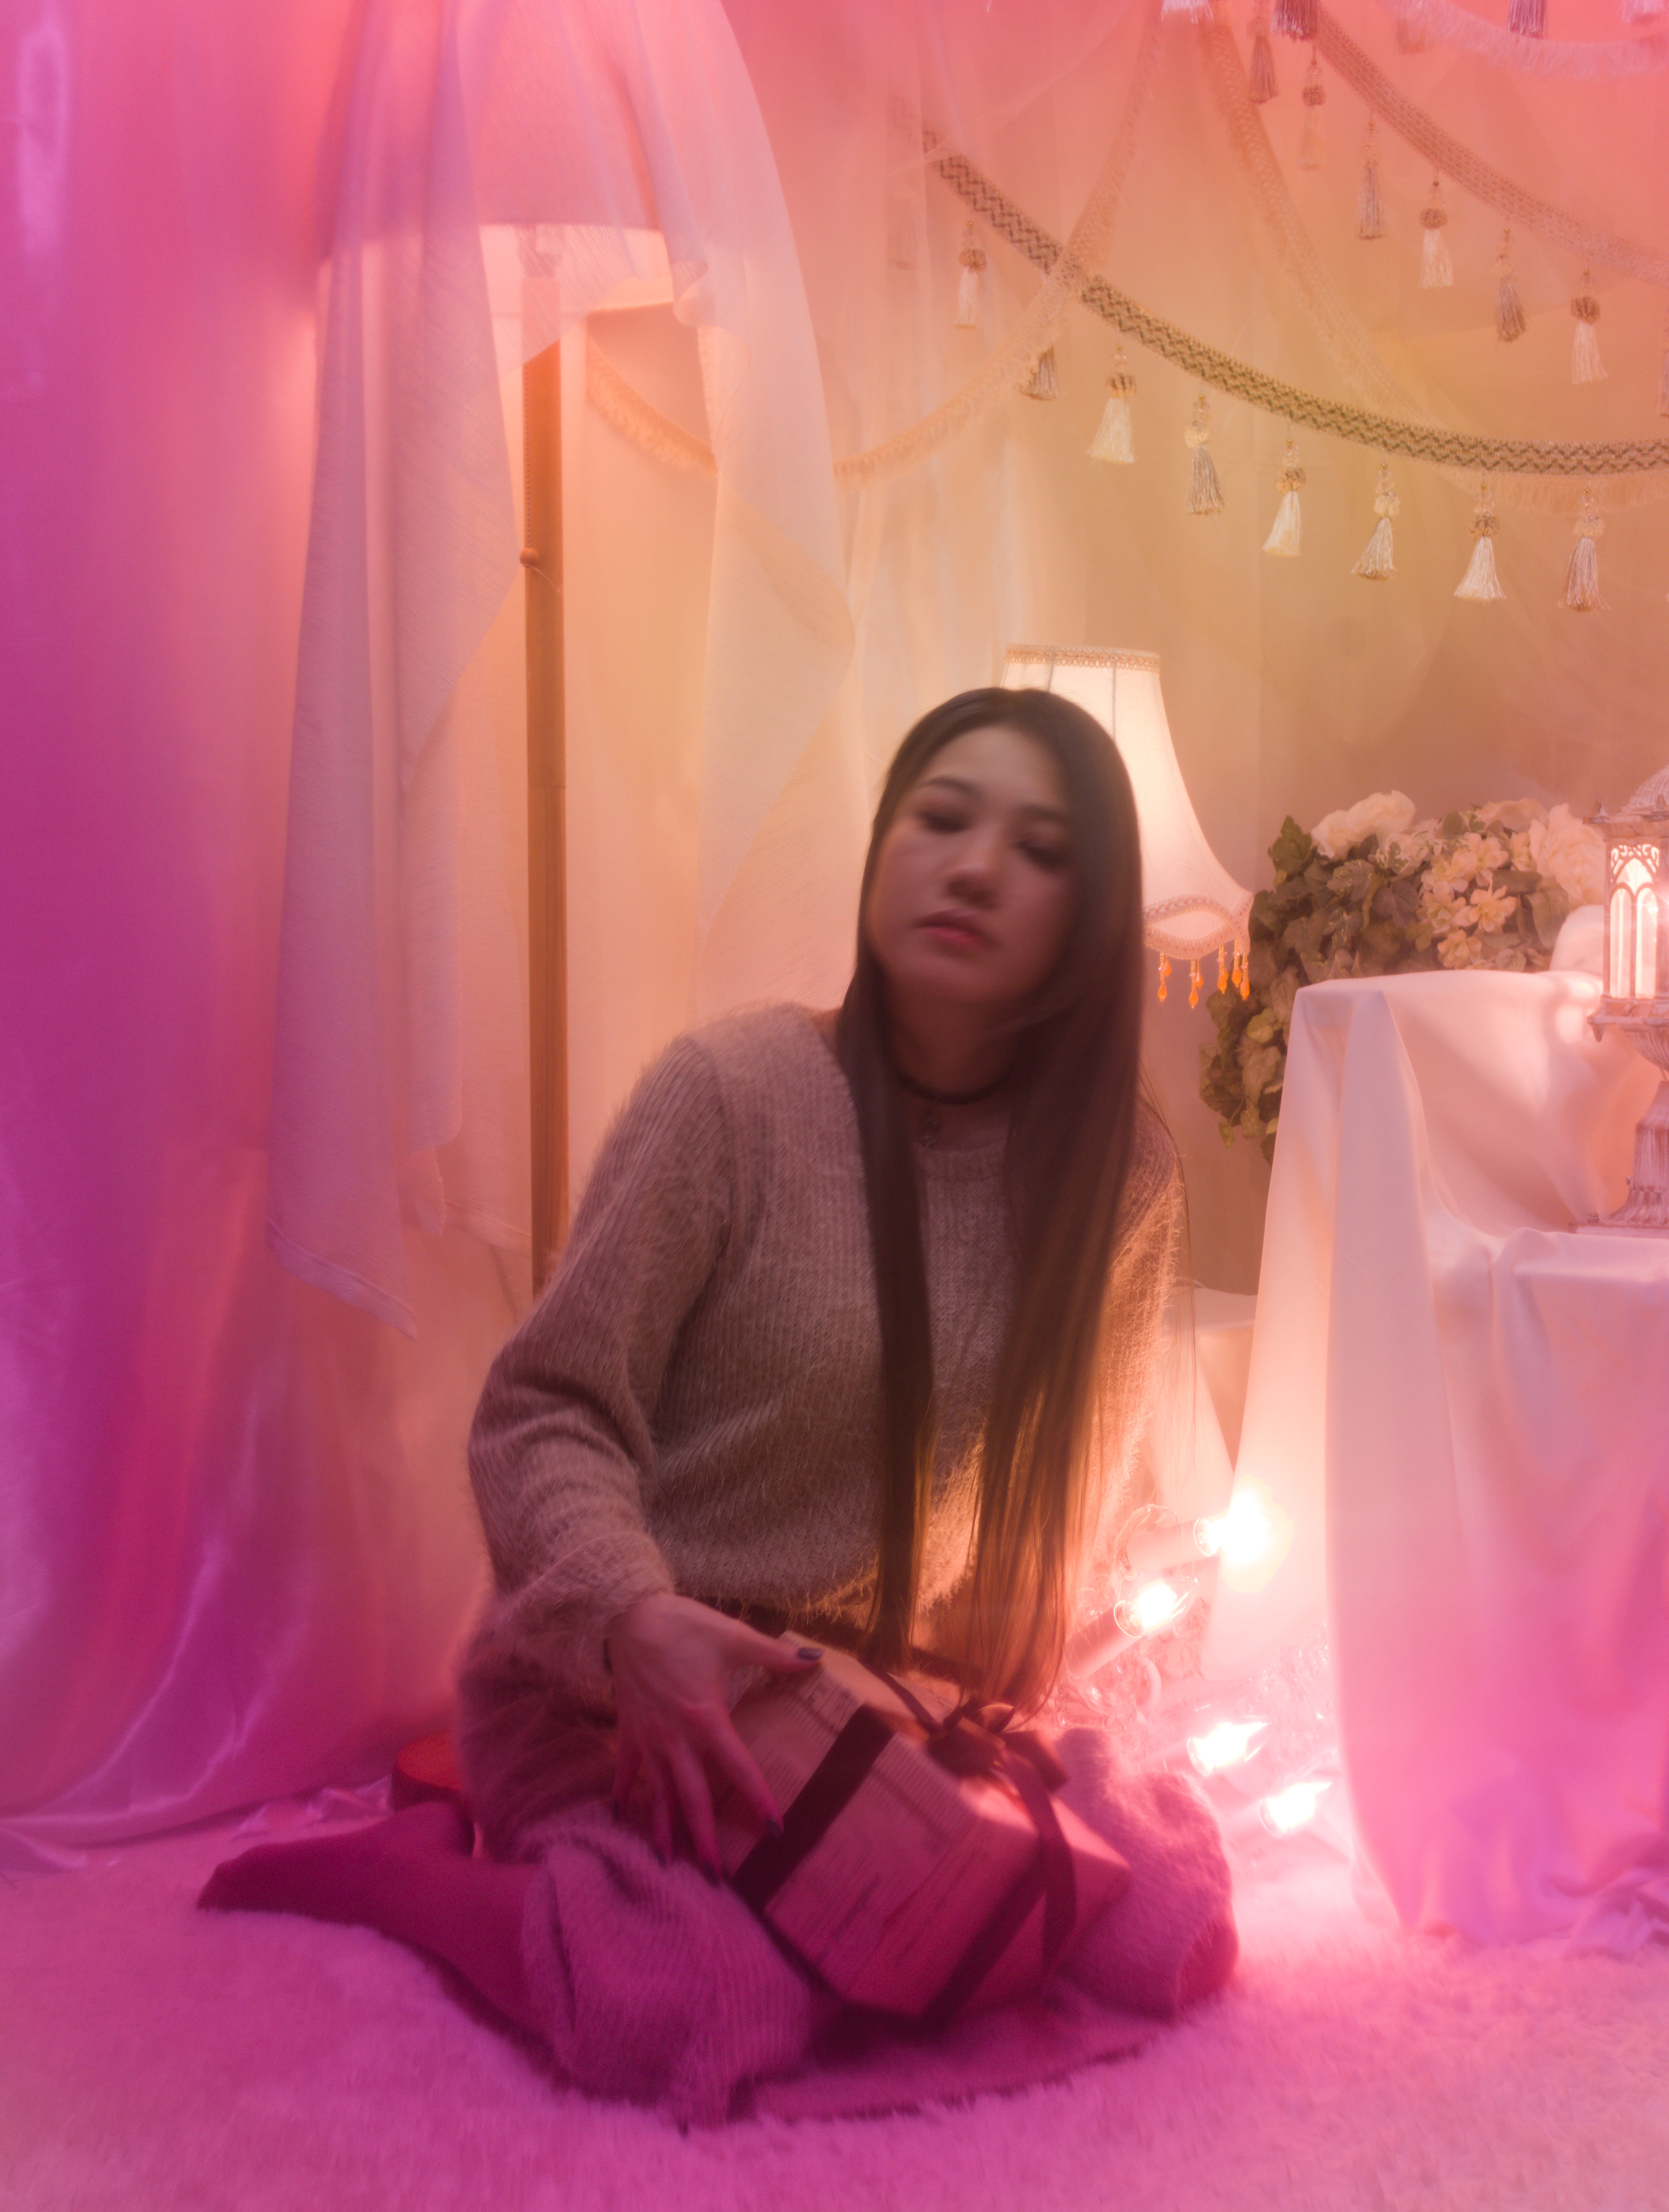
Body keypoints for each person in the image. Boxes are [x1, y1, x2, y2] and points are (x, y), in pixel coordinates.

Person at [202, 689, 1231, 2106]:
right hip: (636, 1694)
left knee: (1164, 1915)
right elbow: (544, 1411)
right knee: (707, 2000)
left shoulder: (1122, 1180)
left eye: (1039, 848)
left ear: (1093, 914)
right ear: (883, 848)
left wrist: (988, 1760)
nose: (976, 866)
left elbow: (1067, 1521)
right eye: (940, 819)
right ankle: (415, 1878)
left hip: (896, 1704)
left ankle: (819, 1896)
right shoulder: (729, 1099)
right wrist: (628, 1619)